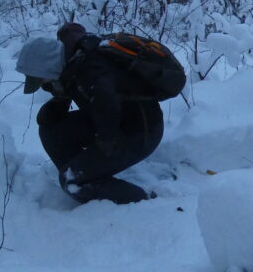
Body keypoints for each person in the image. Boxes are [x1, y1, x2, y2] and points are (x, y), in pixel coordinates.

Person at [16, 22, 164, 204]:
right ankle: (83, 176)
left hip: (140, 132)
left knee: (74, 181)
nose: (40, 83)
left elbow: (106, 102)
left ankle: (143, 201)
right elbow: (89, 107)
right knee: (52, 131)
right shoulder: (69, 64)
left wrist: (105, 144)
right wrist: (57, 99)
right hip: (116, 123)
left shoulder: (89, 67)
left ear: (46, 65)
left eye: (39, 77)